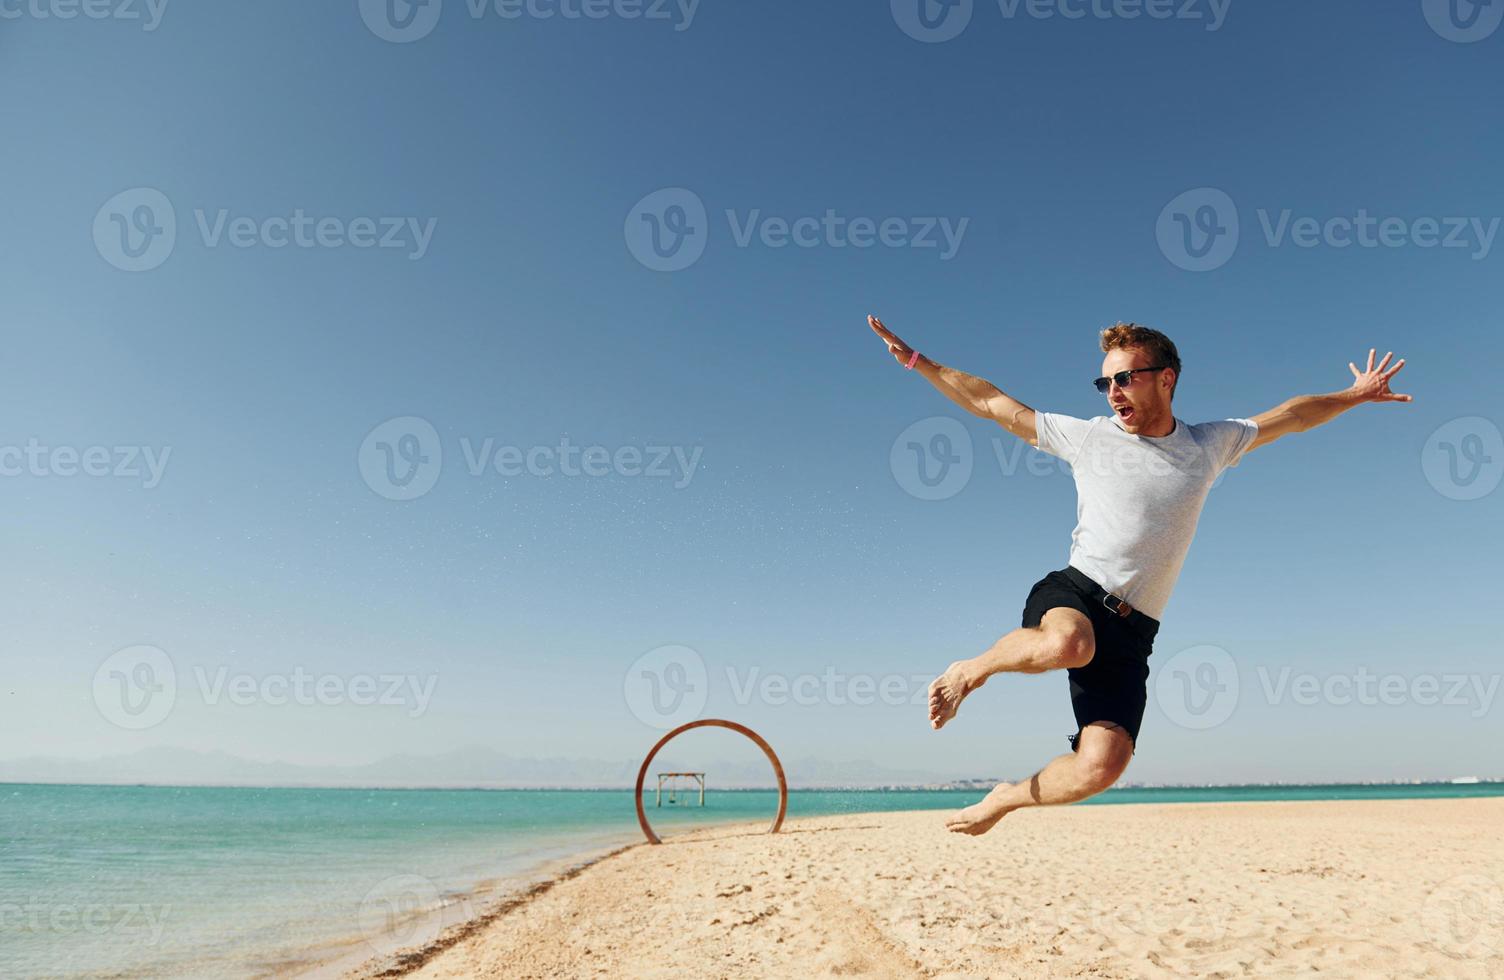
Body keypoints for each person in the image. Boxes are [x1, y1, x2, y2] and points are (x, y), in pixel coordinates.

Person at [867, 314, 1411, 835]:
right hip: (1076, 592)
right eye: (1104, 383)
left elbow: (1292, 415)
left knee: (1100, 768)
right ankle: (970, 670)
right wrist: (919, 361)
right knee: (1069, 643)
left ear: (1166, 378)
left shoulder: (1208, 445)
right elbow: (991, 403)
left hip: (1134, 633)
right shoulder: (1090, 438)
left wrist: (1353, 396)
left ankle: (1005, 797)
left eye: (1125, 378)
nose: (1113, 393)